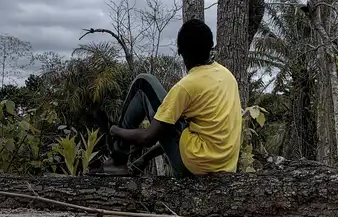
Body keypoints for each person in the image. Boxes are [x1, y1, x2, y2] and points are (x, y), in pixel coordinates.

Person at [97, 19, 243, 176]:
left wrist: (115, 130)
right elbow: (179, 130)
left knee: (143, 83)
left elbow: (148, 138)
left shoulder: (186, 86)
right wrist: (146, 158)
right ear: (210, 48)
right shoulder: (227, 76)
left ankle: (117, 160)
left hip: (194, 169)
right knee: (171, 118)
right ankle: (118, 160)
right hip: (224, 168)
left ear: (180, 52)